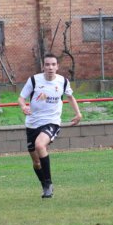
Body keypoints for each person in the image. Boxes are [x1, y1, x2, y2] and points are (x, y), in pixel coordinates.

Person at [18, 53, 82, 198]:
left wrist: (78, 114)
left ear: (57, 66)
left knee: (40, 145)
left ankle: (48, 184)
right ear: (43, 66)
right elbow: (21, 98)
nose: (50, 67)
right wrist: (23, 107)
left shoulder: (63, 81)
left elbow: (70, 97)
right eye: (47, 64)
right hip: (32, 123)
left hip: (51, 121)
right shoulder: (34, 80)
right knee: (36, 162)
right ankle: (45, 185)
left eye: (53, 64)